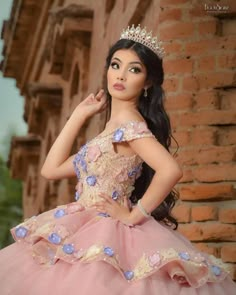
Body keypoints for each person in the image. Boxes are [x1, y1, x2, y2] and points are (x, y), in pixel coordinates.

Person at [0, 24, 235, 295]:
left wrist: (134, 215)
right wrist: (78, 115)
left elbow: (170, 170)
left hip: (109, 230)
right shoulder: (110, 131)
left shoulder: (128, 124)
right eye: (115, 65)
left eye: (134, 69)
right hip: (86, 224)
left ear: (147, 82)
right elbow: (50, 170)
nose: (120, 75)